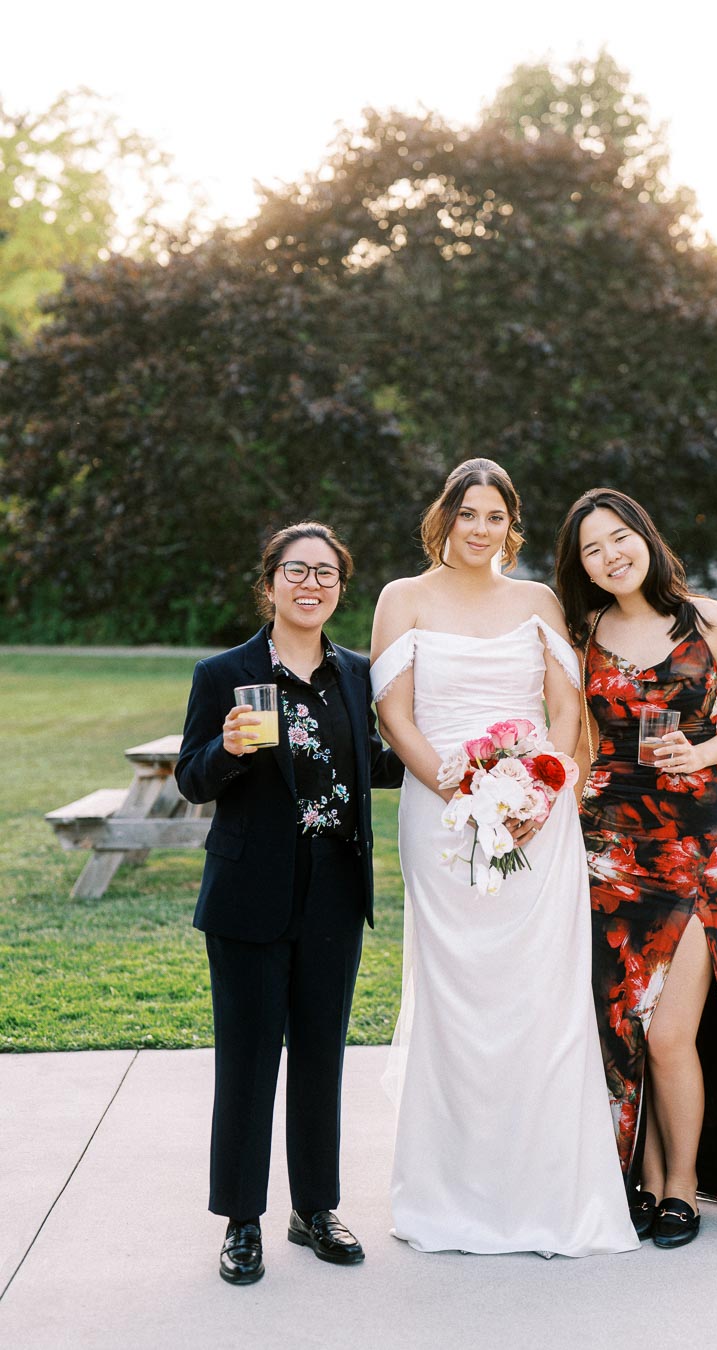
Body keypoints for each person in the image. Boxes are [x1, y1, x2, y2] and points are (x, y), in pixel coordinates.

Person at [369, 459, 638, 1257]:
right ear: (443, 517)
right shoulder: (401, 598)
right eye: (467, 513)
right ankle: (450, 1194)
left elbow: (565, 706)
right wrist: (461, 792)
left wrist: (535, 797)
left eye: (494, 515)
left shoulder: (538, 602)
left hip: (537, 816)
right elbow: (395, 713)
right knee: (458, 1000)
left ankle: (550, 1194)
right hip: (443, 819)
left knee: (539, 996)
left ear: (510, 524)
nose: (479, 528)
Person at [175, 521, 404, 1285]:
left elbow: (374, 761)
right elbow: (191, 777)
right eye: (297, 570)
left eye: (328, 573)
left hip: (335, 891)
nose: (313, 584)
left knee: (320, 1057)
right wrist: (228, 751)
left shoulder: (358, 674)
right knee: (246, 1063)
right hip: (248, 895)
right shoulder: (223, 673)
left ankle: (316, 1209)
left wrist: (467, 747)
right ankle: (242, 1222)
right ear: (268, 581)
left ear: (341, 587)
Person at [554, 487, 717, 1248]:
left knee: (673, 1029)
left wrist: (701, 749)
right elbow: (574, 742)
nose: (611, 555)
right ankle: (639, 1182)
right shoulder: (581, 632)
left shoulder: (706, 619)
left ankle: (680, 1188)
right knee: (624, 1026)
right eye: (592, 548)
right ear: (580, 565)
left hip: (698, 845)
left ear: (645, 536)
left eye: (620, 538)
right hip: (609, 846)